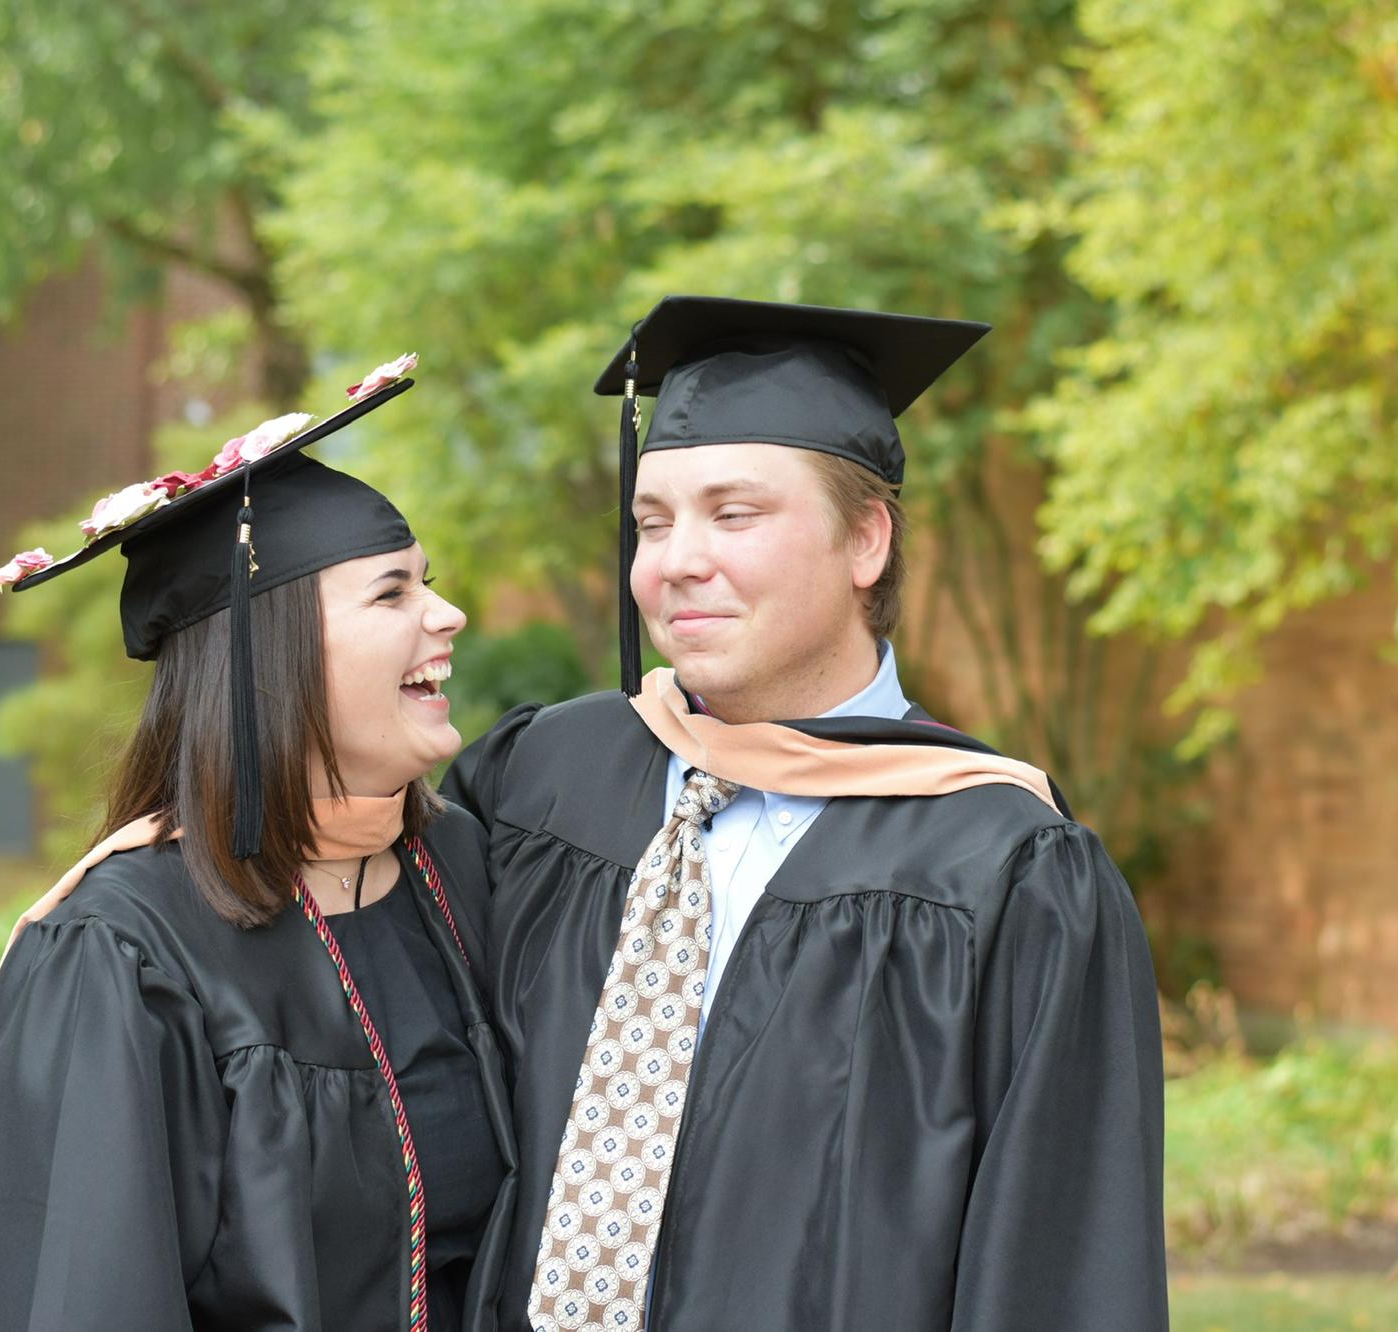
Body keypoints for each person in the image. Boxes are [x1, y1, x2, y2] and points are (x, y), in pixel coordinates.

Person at [441, 298, 1168, 1331]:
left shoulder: (1000, 868)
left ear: (864, 539)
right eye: (652, 522)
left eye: (733, 515)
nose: (676, 561)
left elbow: (1057, 1265)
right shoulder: (541, 780)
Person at [0, 359, 517, 1332]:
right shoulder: (125, 950)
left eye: (430, 586)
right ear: (270, 650)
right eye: (391, 593)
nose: (445, 617)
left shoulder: (461, 877)